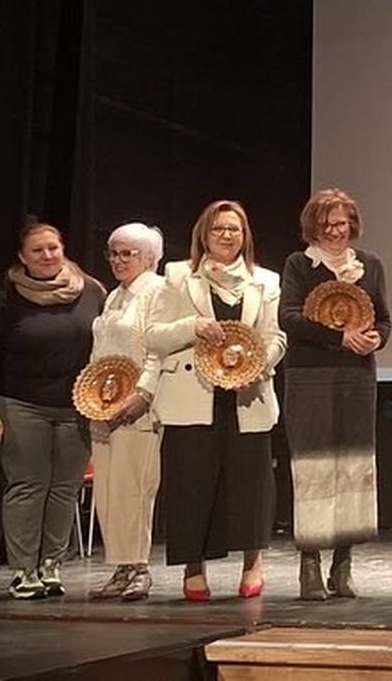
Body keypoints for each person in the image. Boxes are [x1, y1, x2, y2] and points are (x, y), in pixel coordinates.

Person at [145, 200, 286, 601]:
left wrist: (260, 365)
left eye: (235, 229)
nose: (227, 235)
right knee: (193, 483)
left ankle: (253, 564)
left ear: (246, 236)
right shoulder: (176, 276)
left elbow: (277, 337)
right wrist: (193, 326)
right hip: (193, 396)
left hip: (248, 396)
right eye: (219, 229)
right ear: (203, 235)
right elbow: (152, 335)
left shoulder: (267, 281)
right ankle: (194, 567)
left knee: (251, 485)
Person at [0, 222, 105, 599]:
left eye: (53, 248)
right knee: (28, 486)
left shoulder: (92, 292)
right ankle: (23, 570)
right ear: (22, 257)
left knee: (65, 489)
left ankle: (51, 565)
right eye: (37, 250)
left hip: (77, 407)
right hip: (21, 405)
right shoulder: (5, 300)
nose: (47, 256)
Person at [279, 189, 391, 600]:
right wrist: (339, 337)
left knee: (351, 467)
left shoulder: (371, 265)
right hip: (309, 378)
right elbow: (288, 316)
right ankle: (310, 564)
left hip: (356, 379)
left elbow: (383, 318)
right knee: (312, 471)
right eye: (326, 225)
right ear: (314, 227)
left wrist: (376, 338)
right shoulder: (299, 264)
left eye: (341, 224)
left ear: (352, 225)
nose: (334, 232)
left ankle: (343, 566)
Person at [86, 222, 168, 601]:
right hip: (103, 405)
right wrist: (90, 397)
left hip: (136, 407)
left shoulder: (156, 291)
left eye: (127, 253)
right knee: (108, 489)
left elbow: (157, 349)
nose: (117, 260)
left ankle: (139, 568)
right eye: (113, 253)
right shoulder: (116, 296)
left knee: (133, 488)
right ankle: (120, 567)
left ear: (150, 258)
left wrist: (145, 394)